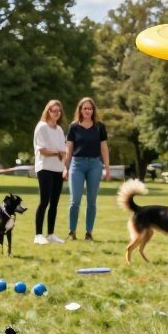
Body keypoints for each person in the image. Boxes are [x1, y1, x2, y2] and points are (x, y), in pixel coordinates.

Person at [63, 97, 110, 241]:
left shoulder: (99, 126)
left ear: (93, 110)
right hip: (77, 165)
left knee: (91, 201)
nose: (88, 111)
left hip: (95, 165)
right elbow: (69, 149)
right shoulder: (73, 127)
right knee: (75, 201)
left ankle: (88, 233)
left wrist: (107, 168)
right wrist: (65, 167)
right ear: (80, 110)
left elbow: (104, 148)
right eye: (85, 108)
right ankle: (72, 232)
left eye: (90, 108)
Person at [33, 100, 67, 244]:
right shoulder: (41, 127)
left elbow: (63, 151)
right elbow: (43, 151)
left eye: (58, 111)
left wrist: (58, 155)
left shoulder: (59, 130)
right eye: (53, 110)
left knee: (54, 203)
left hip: (57, 169)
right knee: (44, 201)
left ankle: (51, 234)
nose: (56, 113)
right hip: (44, 168)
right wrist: (56, 152)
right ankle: (38, 235)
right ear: (47, 111)